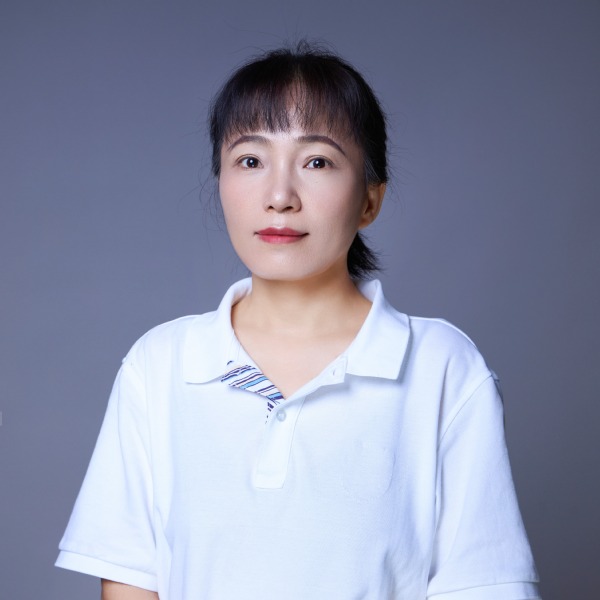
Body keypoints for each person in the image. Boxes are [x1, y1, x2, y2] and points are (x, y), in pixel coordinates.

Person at [56, 42, 541, 600]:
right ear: (220, 182)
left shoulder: (442, 368)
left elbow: (484, 584)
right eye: (250, 161)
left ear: (370, 199)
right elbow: (130, 580)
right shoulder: (160, 365)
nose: (280, 196)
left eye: (317, 162)